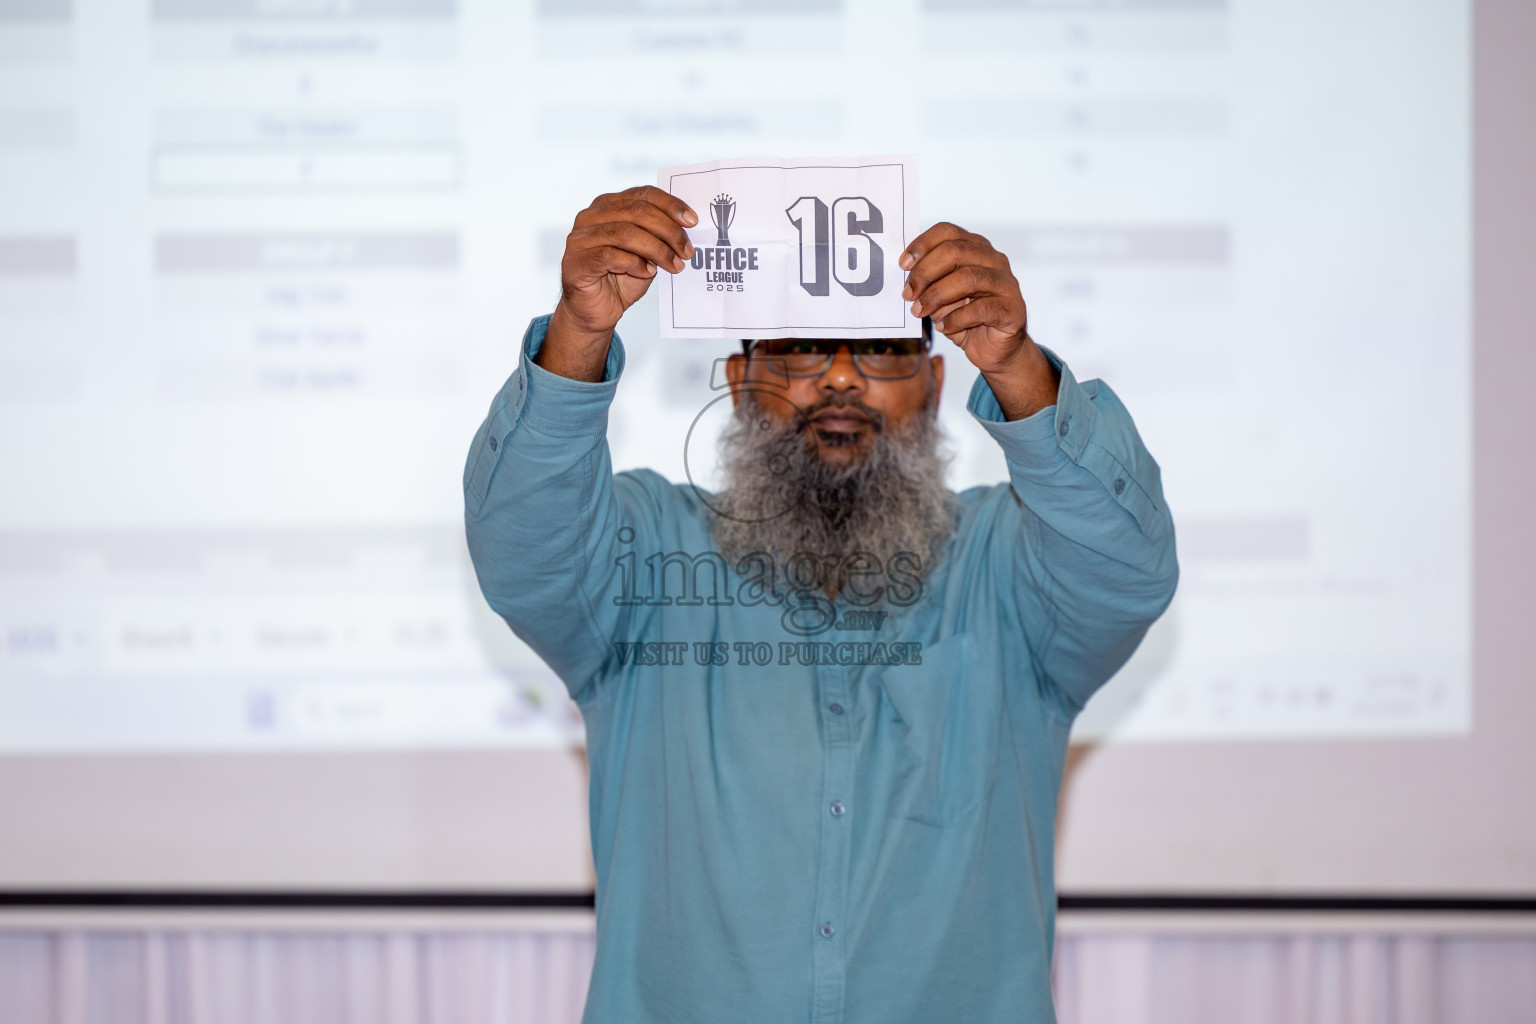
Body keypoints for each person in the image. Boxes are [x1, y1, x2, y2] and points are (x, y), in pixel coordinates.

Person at [464, 185, 1179, 1024]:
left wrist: (1017, 364)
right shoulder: (650, 554)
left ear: (937, 383)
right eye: (801, 348)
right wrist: (577, 334)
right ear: (737, 384)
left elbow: (1129, 571)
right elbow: (522, 549)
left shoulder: (1009, 562)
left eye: (879, 350)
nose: (841, 378)